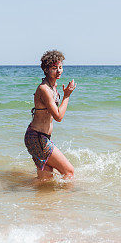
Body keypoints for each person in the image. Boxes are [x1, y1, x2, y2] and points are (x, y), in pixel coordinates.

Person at [24, 50, 76, 180]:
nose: (58, 71)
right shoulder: (44, 89)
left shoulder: (53, 86)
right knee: (69, 172)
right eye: (54, 68)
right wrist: (67, 96)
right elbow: (58, 117)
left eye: (60, 67)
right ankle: (67, 200)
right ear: (46, 69)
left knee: (46, 180)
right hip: (37, 138)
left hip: (38, 137)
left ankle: (40, 200)